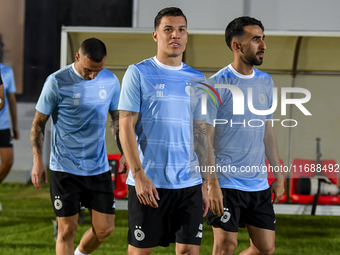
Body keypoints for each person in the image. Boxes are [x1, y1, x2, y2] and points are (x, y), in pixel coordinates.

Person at [118, 7, 209, 255]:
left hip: (189, 182)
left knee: (189, 251)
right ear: (156, 35)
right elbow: (125, 126)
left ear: (187, 36)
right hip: (149, 182)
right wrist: (138, 176)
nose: (175, 35)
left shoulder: (198, 78)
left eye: (181, 30)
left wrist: (203, 183)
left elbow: (199, 133)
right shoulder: (138, 73)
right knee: (140, 252)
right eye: (168, 29)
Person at [30, 38, 122, 255]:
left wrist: (124, 152)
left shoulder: (110, 81)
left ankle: (80, 253)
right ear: (78, 57)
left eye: (98, 70)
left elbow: (116, 120)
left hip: (98, 168)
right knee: (67, 229)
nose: (93, 76)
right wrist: (37, 161)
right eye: (89, 70)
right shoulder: (56, 81)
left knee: (105, 229)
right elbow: (38, 123)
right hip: (64, 169)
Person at [205, 17, 285, 255]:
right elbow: (204, 139)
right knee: (225, 246)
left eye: (263, 38)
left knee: (265, 247)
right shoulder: (215, 84)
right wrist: (212, 184)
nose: (263, 45)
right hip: (226, 182)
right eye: (256, 39)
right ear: (237, 46)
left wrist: (278, 176)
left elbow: (267, 133)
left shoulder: (265, 82)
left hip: (258, 183)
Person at [0, 62, 19, 211]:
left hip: (3, 125)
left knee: (8, 161)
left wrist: (15, 125)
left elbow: (10, 100)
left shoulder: (6, 71)